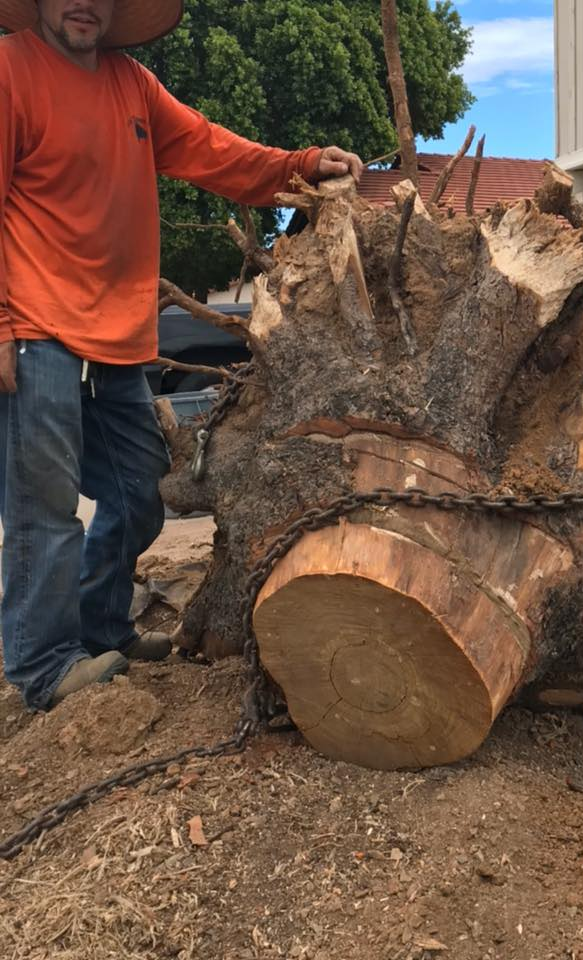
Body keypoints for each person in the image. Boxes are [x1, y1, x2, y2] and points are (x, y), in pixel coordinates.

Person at [0, 0, 363, 709]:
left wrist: (301, 163)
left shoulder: (132, 84)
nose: (85, 4)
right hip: (37, 329)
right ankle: (43, 668)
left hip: (117, 339)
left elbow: (211, 148)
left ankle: (102, 627)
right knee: (43, 511)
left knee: (141, 492)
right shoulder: (11, 71)